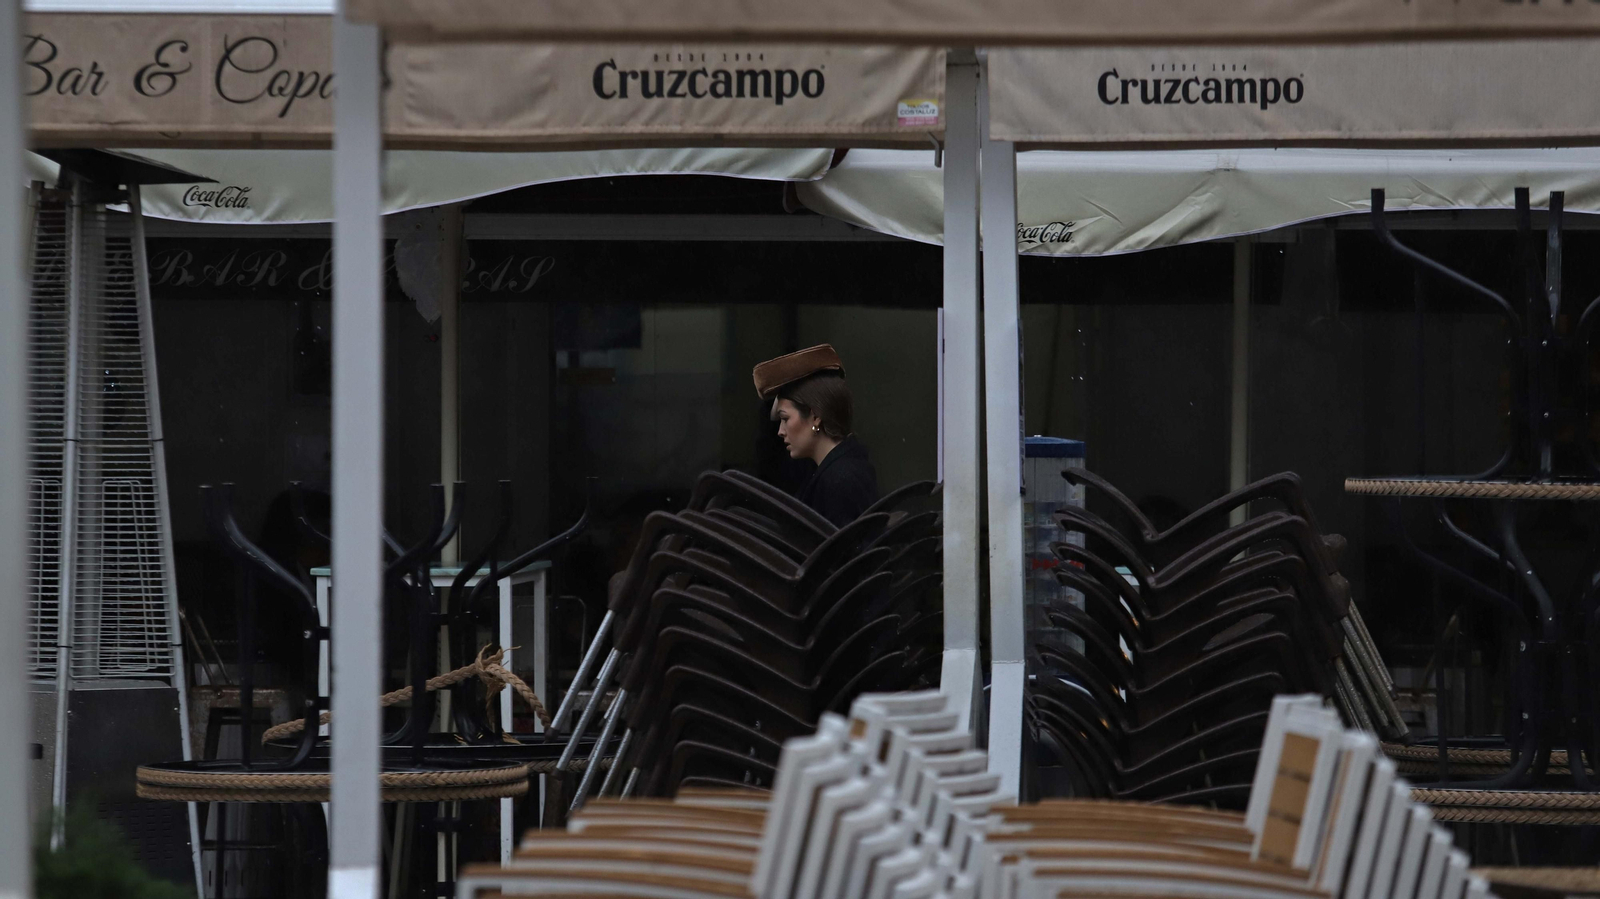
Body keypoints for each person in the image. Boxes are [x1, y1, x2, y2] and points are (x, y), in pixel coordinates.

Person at [752, 344, 879, 527]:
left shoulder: (839, 480)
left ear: (816, 417)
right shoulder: (842, 468)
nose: (780, 431)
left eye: (785, 419)